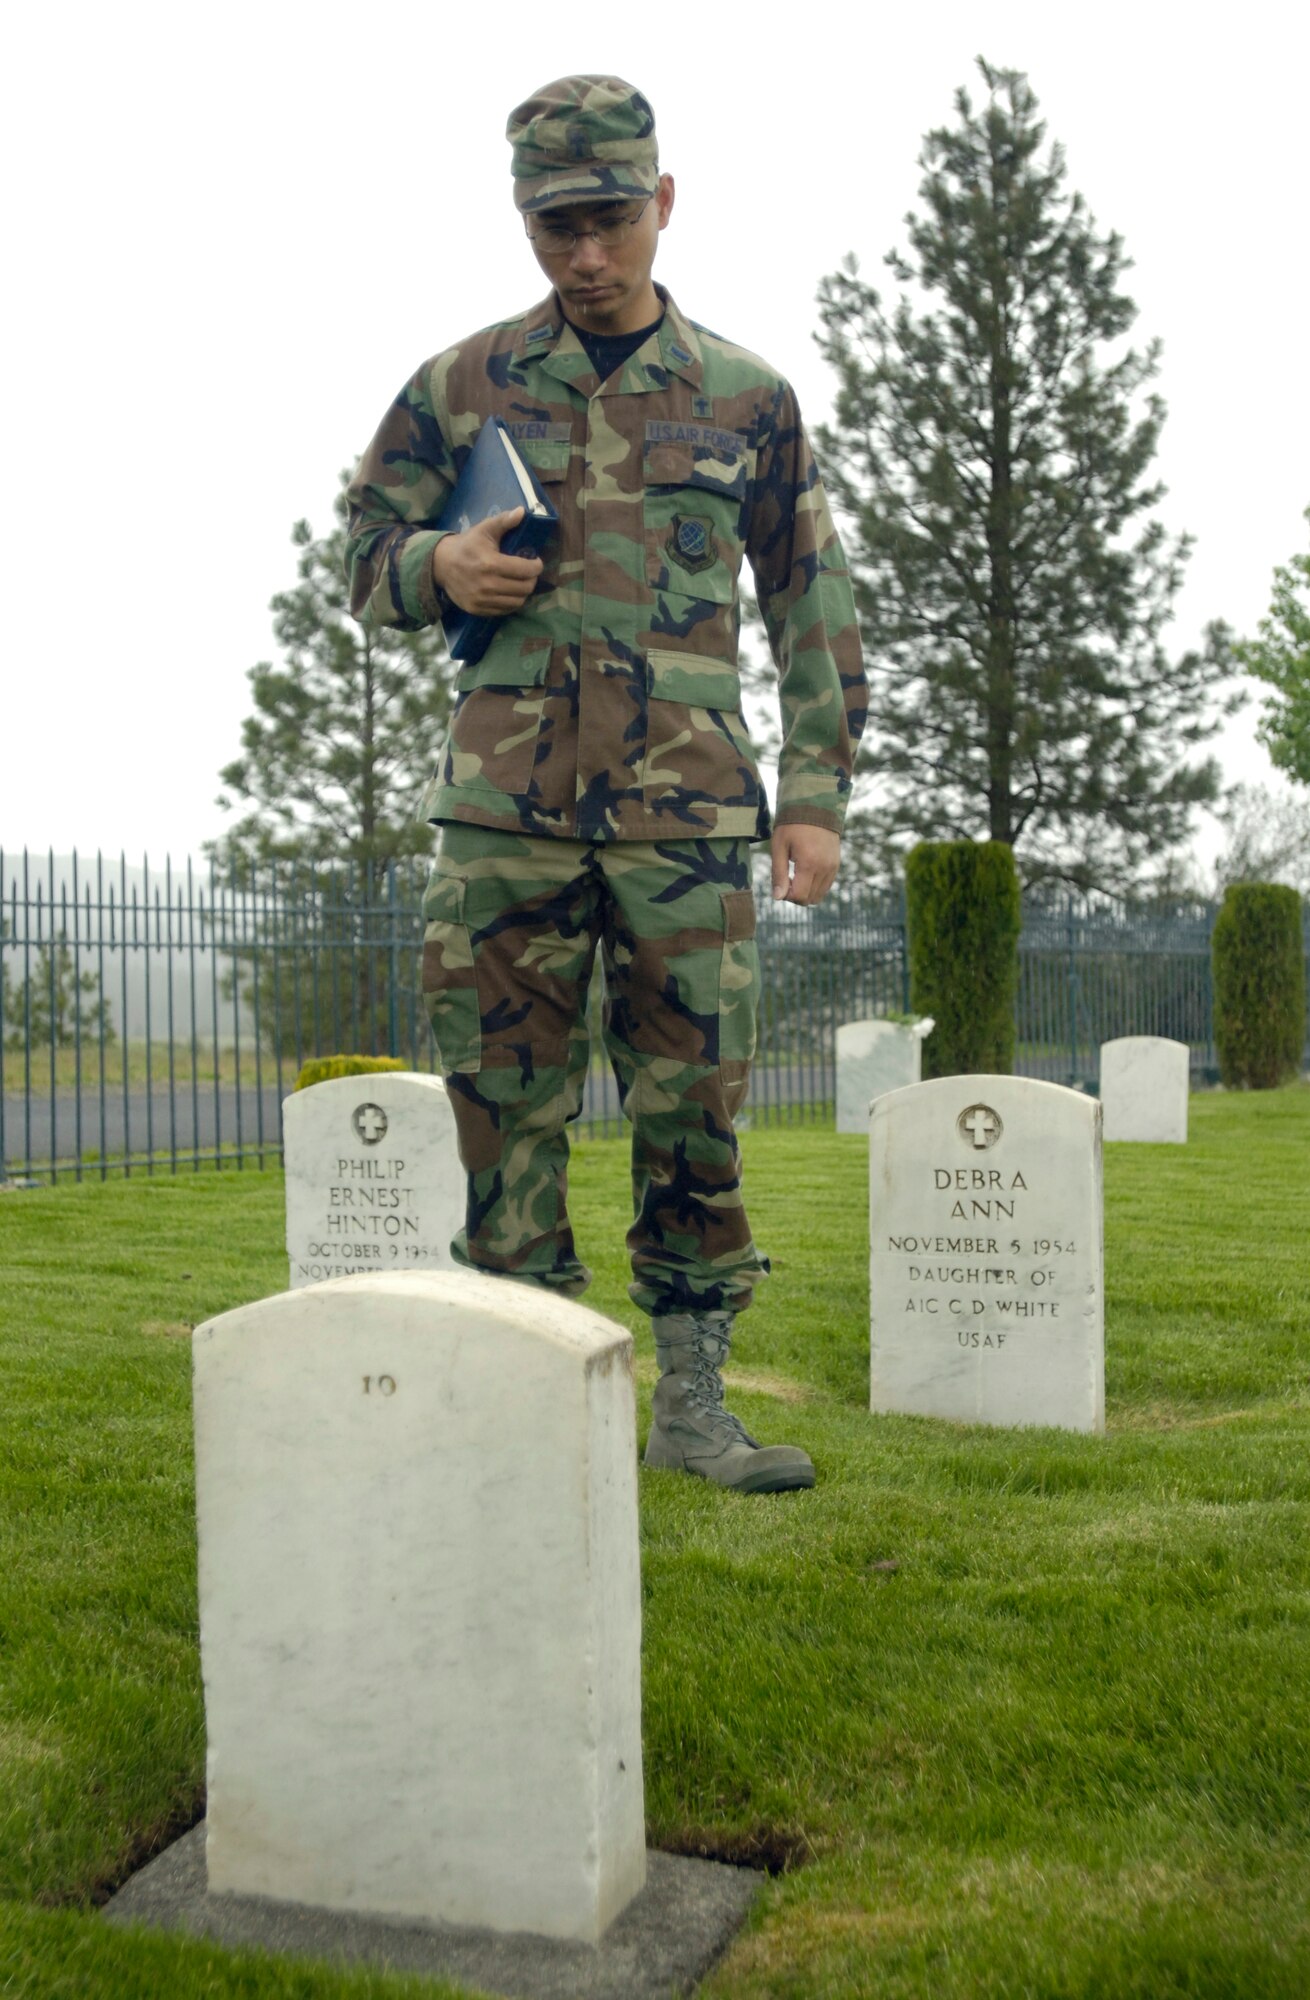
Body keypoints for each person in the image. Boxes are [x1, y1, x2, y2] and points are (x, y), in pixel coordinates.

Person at [345, 75, 866, 1494]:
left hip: (685, 823)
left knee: (689, 1109)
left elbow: (809, 603)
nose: (586, 253)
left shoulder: (747, 398)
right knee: (499, 1104)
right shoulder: (459, 386)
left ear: (663, 204)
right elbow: (362, 557)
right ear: (523, 222)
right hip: (503, 815)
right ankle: (524, 1411)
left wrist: (812, 798)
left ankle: (693, 1413)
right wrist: (433, 567)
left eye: (609, 219)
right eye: (555, 225)